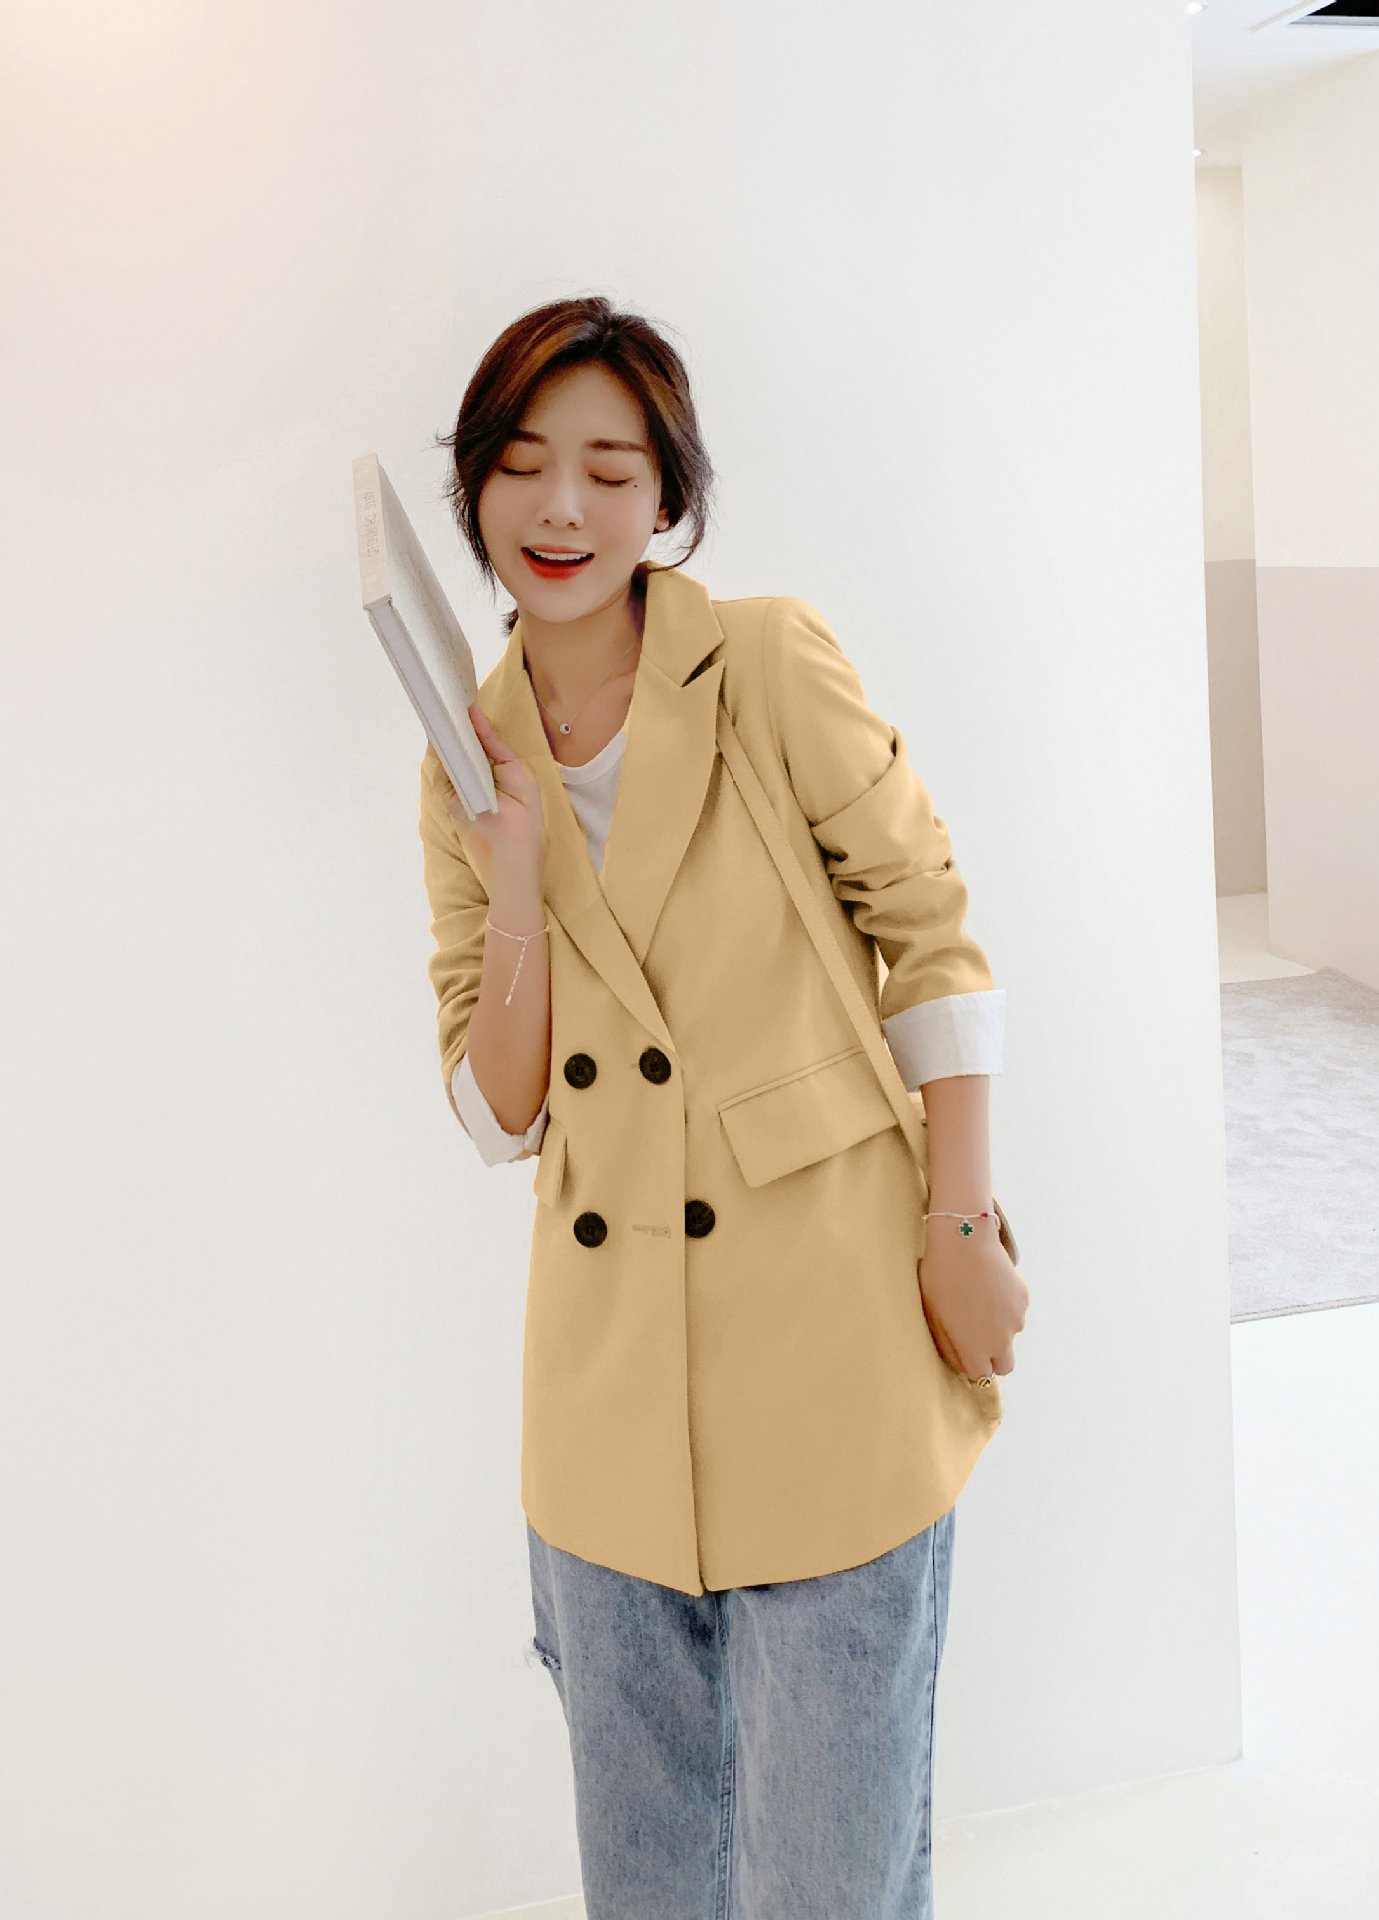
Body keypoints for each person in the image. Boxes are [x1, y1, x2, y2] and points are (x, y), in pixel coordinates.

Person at [418, 295, 1029, 1919]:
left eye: (612, 471)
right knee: (650, 1887)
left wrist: (961, 1222)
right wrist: (517, 878)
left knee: (833, 1882)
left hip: (827, 1343)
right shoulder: (464, 759)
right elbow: (499, 1111)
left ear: (669, 499)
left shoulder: (761, 661)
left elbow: (930, 931)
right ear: (473, 486)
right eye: (523, 464)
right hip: (606, 1401)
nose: (562, 508)